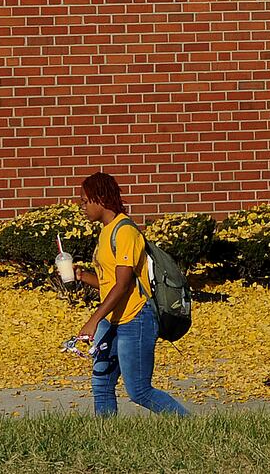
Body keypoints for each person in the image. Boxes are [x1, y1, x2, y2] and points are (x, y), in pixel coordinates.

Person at [72, 171, 189, 416]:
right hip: (112, 318)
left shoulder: (125, 231)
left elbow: (124, 285)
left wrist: (93, 320)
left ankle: (190, 424)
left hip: (136, 319)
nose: (80, 206)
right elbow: (110, 283)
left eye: (84, 201)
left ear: (100, 199)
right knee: (101, 383)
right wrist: (83, 277)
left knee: (139, 390)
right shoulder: (106, 232)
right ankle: (106, 440)